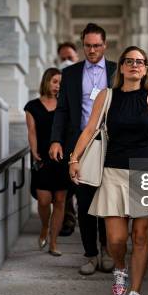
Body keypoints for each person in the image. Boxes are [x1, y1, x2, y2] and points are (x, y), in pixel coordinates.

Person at [68, 46, 148, 295]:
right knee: (116, 238)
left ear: (146, 68)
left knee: (140, 236)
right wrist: (74, 158)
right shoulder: (107, 96)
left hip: (147, 171)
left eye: (140, 62)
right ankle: (120, 268)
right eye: (129, 61)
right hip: (113, 170)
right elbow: (89, 129)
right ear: (121, 68)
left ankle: (135, 293)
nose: (135, 65)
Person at [49, 23, 117, 275]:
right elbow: (63, 110)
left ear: (105, 45)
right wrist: (56, 140)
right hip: (80, 146)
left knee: (107, 202)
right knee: (86, 203)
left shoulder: (116, 71)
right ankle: (90, 254)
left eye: (97, 45)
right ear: (82, 45)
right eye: (87, 45)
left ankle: (107, 249)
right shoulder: (71, 74)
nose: (92, 50)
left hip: (111, 147)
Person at [24, 68, 68, 256]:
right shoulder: (32, 106)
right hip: (42, 157)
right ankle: (44, 226)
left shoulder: (65, 105)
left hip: (62, 158)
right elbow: (32, 131)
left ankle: (54, 242)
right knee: (44, 200)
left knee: (60, 200)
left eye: (60, 82)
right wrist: (33, 150)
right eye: (54, 81)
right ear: (46, 82)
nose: (57, 85)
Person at [55, 42, 80, 236]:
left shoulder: (83, 79)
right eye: (63, 58)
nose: (66, 61)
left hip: (83, 139)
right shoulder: (55, 81)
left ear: (77, 57)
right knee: (65, 185)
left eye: (70, 57)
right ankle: (68, 219)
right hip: (62, 142)